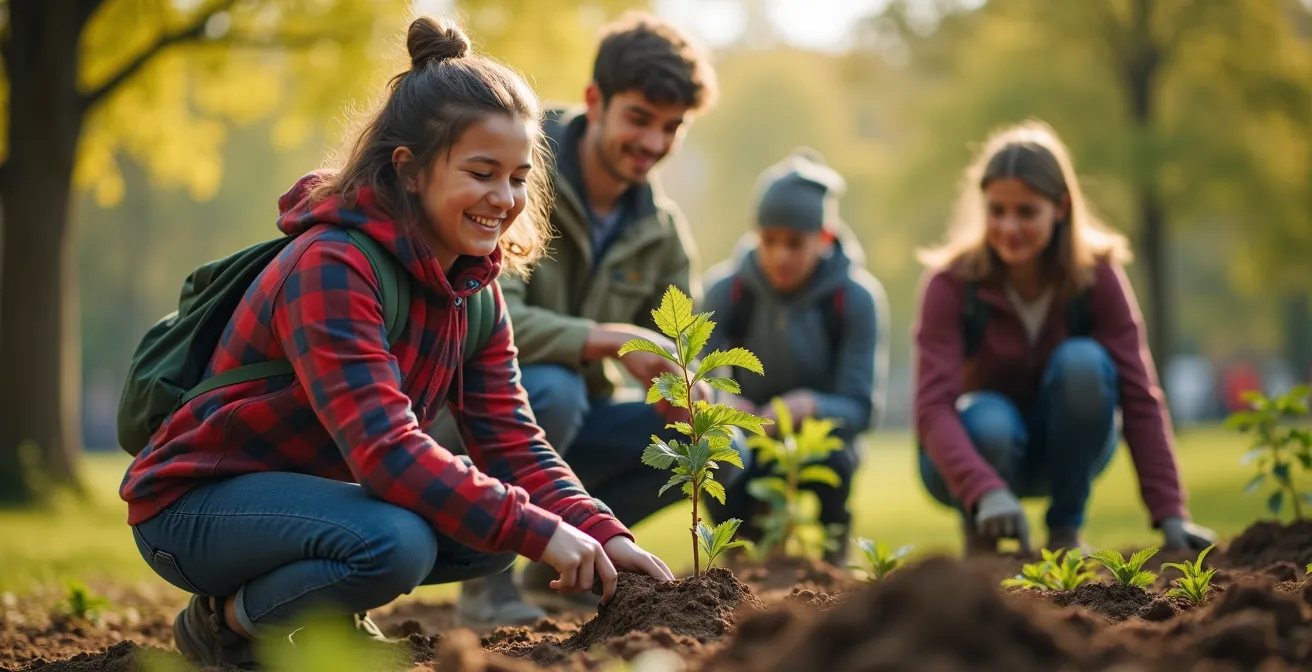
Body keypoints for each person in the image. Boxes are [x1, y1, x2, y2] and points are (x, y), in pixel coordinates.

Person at [117, 17, 672, 669]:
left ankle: (316, 611)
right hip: (197, 507)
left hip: (313, 504)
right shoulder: (332, 265)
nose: (505, 198)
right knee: (398, 542)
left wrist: (599, 529)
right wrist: (540, 527)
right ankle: (225, 625)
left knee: (493, 539)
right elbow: (385, 450)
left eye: (519, 177)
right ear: (409, 170)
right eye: (482, 172)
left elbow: (513, 441)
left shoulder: (475, 289)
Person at [438, 11, 723, 627]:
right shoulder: (513, 177)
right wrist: (614, 342)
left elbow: (682, 341)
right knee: (554, 388)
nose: (652, 142)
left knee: (700, 437)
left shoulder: (662, 232)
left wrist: (683, 385)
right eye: (639, 119)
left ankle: (564, 571)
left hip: (570, 430)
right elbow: (489, 315)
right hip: (468, 415)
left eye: (671, 127)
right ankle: (486, 584)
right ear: (596, 100)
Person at [912, 120, 1218, 556]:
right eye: (997, 210)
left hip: (1068, 453)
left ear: (1060, 207)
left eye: (1026, 211)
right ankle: (982, 541)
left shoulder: (1097, 277)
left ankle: (1065, 531)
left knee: (1084, 364)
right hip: (975, 457)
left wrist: (1170, 512)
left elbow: (1138, 395)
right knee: (989, 418)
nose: (1009, 227)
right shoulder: (951, 284)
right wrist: (984, 489)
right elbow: (931, 408)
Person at [699, 149, 889, 566]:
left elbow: (861, 407)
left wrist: (806, 406)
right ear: (754, 232)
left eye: (795, 243)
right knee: (713, 449)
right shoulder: (725, 291)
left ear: (824, 237)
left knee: (839, 454)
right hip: (747, 436)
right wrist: (727, 407)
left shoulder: (856, 298)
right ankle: (741, 557)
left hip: (818, 439)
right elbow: (699, 380)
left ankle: (832, 554)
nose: (780, 256)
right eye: (769, 240)